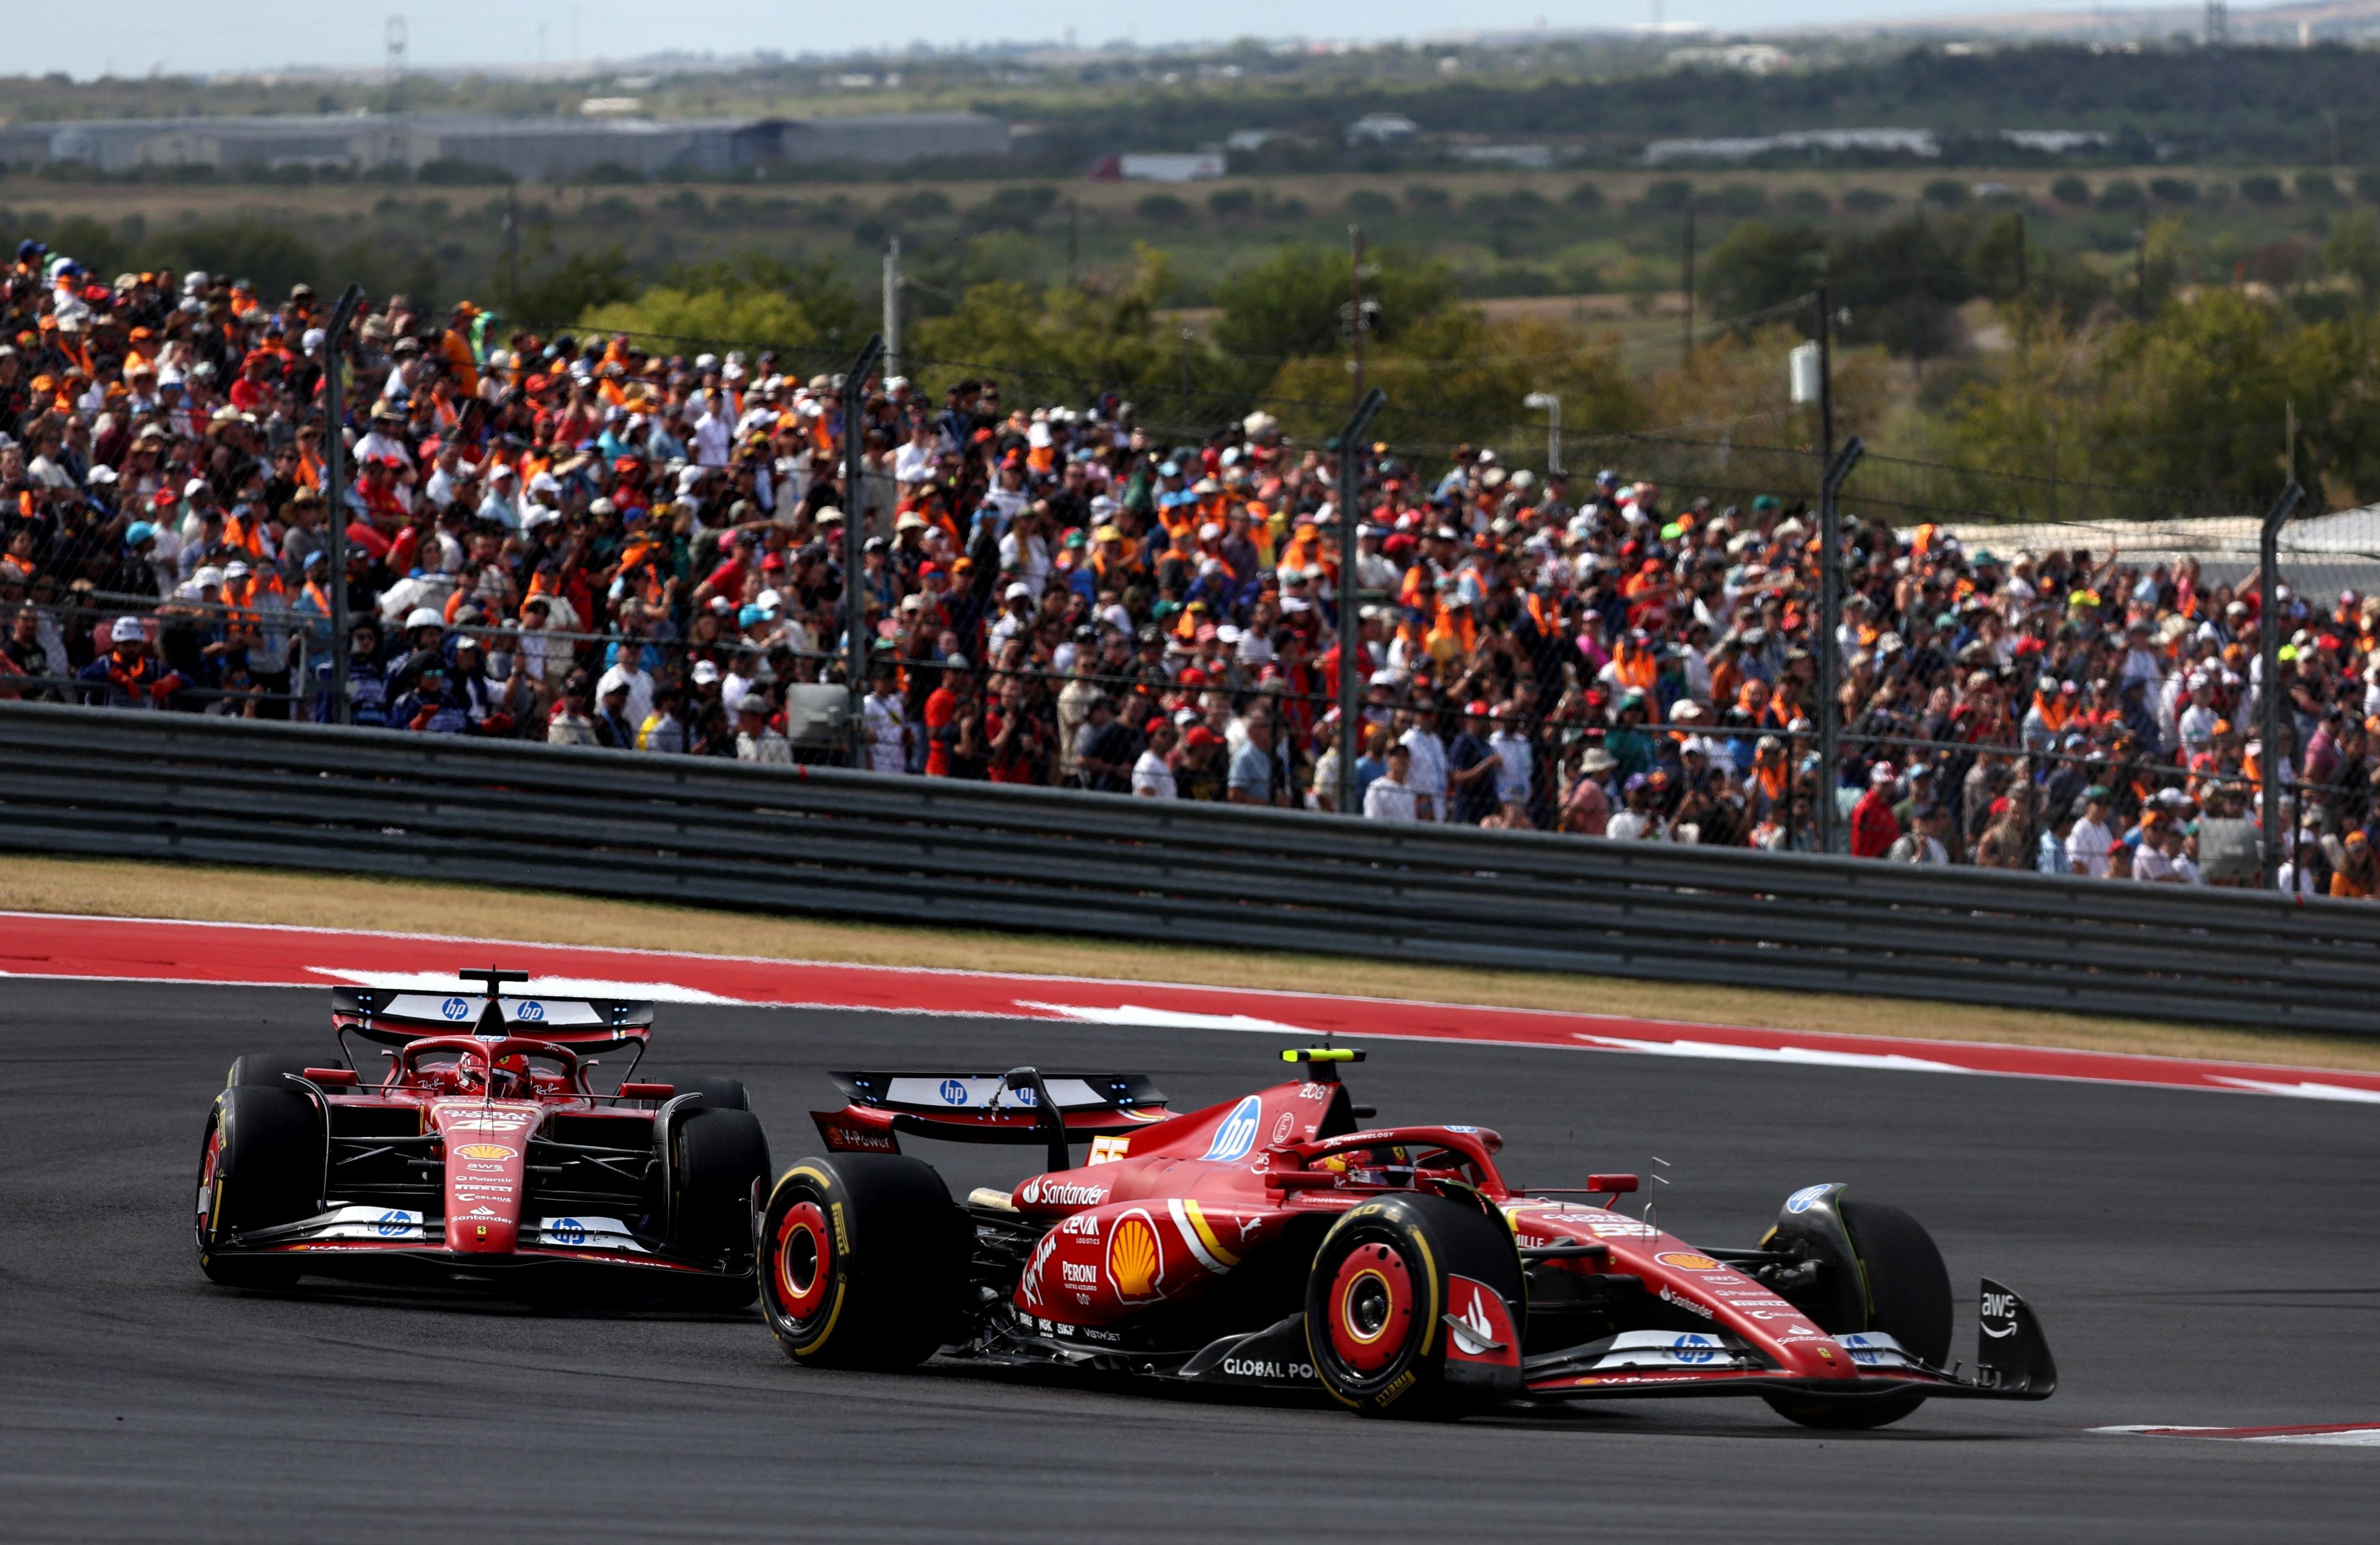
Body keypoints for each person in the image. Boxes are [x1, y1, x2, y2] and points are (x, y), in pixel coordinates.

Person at [1849, 763, 1902, 859]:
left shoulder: (1884, 803)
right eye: (1884, 784)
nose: (1889, 787)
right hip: (1870, 863)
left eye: (1891, 783)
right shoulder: (1866, 807)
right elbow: (1859, 844)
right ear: (1873, 782)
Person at [1363, 741, 1421, 821]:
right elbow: (1372, 818)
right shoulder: (1377, 787)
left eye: (1405, 755)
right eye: (1397, 755)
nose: (1402, 760)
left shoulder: (1410, 790)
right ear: (1388, 760)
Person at [2066, 787, 2116, 878]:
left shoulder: (2104, 828)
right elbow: (2077, 864)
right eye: (2099, 802)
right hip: (2089, 886)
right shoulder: (2081, 828)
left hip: (2104, 886)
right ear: (2089, 805)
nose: (2104, 807)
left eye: (2107, 803)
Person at [1131, 717, 1179, 798]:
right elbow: (1147, 798)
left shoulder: (1160, 762)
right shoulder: (1147, 763)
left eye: (1172, 735)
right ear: (1151, 738)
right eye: (1163, 734)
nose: (1169, 738)